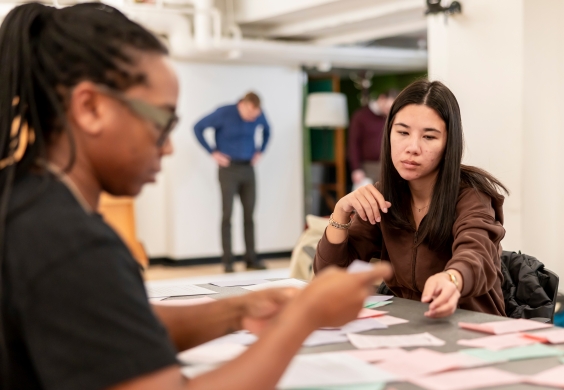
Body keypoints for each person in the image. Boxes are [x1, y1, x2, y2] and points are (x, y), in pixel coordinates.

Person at [0, 4, 392, 390]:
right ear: (90, 108)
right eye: (162, 121)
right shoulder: (69, 242)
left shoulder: (23, 201)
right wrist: (304, 317)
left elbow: (119, 325)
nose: (168, 147)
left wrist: (238, 309)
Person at [315, 80, 509, 319]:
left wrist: (452, 279)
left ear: (449, 143)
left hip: (471, 330)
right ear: (389, 134)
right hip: (407, 330)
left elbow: (476, 255)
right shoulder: (384, 195)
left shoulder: (472, 195)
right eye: (403, 132)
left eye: (429, 137)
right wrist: (341, 211)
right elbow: (329, 277)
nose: (412, 147)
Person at [194, 93, 269, 272]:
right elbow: (198, 127)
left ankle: (251, 259)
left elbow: (267, 130)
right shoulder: (224, 113)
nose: (253, 118)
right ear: (242, 104)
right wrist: (212, 152)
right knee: (227, 214)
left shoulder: (258, 113)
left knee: (249, 215)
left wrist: (261, 151)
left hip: (248, 169)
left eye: (256, 115)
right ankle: (228, 261)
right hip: (228, 169)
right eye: (250, 114)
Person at [348, 89, 398, 187]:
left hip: (388, 166)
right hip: (368, 167)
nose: (389, 111)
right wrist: (356, 169)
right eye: (388, 108)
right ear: (382, 99)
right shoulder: (361, 116)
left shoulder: (391, 117)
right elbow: (353, 144)